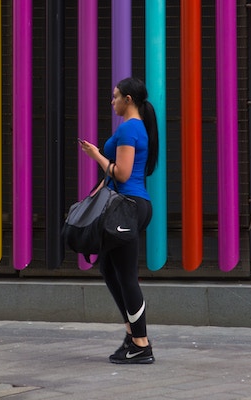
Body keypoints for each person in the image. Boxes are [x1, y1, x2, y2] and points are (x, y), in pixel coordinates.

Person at [79, 76, 159, 364]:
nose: (111, 102)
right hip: (125, 205)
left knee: (124, 275)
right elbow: (112, 179)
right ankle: (132, 334)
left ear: (128, 100)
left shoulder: (129, 130)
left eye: (115, 97)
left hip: (129, 206)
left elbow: (122, 174)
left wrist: (96, 155)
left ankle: (141, 344)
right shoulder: (133, 128)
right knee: (109, 270)